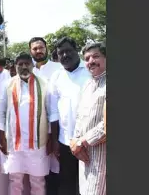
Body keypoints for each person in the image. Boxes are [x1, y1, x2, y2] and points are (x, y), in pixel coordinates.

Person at [0, 52, 56, 195]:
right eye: (20, 64)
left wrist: (51, 138)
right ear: (15, 67)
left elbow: (51, 113)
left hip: (38, 143)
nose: (24, 67)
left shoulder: (44, 84)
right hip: (14, 143)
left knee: (38, 181)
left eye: (27, 64)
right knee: (15, 180)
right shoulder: (8, 84)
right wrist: (1, 137)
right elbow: (1, 111)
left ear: (32, 65)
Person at [48, 37, 91, 195]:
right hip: (66, 141)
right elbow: (53, 111)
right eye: (61, 53)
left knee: (89, 183)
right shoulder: (56, 77)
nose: (65, 55)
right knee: (67, 183)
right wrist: (54, 141)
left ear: (76, 50)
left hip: (89, 140)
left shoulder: (90, 71)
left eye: (68, 51)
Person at [70, 43, 106, 195]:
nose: (91, 61)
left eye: (96, 56)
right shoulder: (87, 85)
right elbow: (80, 117)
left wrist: (80, 142)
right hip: (84, 156)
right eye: (87, 58)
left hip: (102, 157)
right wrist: (75, 142)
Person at [28, 37, 63, 194]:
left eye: (41, 47)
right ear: (31, 51)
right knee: (40, 170)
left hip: (57, 126)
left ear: (46, 48)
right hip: (36, 129)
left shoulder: (58, 68)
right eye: (35, 49)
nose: (38, 51)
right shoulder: (28, 70)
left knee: (57, 168)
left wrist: (53, 135)